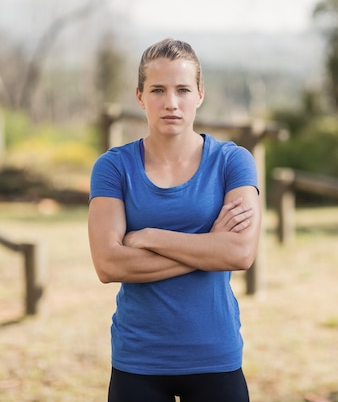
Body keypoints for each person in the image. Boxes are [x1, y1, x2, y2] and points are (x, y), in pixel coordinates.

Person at [87, 37, 261, 402]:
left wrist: (149, 235)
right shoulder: (114, 167)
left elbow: (240, 254)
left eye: (182, 89)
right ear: (139, 97)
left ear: (200, 94)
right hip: (138, 361)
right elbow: (107, 264)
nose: (171, 103)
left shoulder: (233, 161)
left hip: (216, 356)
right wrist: (208, 246)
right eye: (157, 90)